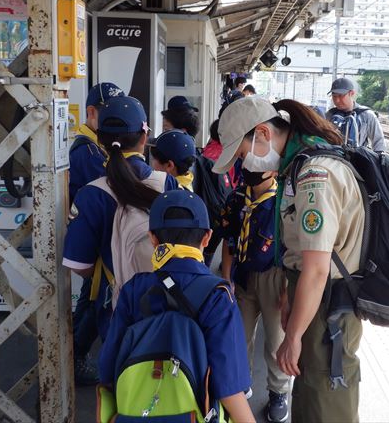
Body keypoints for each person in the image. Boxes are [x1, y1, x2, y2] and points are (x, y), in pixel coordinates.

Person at [212, 96, 366, 423]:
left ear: (263, 134)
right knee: (310, 391)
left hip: (328, 307)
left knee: (325, 400)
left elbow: (317, 268)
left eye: (241, 155)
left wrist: (292, 337)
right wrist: (287, 296)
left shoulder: (314, 175)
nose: (244, 165)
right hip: (314, 301)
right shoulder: (297, 166)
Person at [99, 190, 256, 423]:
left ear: (153, 238)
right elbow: (229, 388)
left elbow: (108, 372)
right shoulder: (218, 297)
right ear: (207, 238)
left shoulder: (133, 291)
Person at [63, 96, 178, 341]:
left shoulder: (91, 193)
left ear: (101, 140)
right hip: (167, 295)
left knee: (122, 371)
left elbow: (78, 265)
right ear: (144, 138)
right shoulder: (167, 183)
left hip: (113, 302)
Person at [220, 170, 291, 422]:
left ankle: (278, 391)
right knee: (240, 334)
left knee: (275, 339)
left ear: (272, 169)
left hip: (274, 275)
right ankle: (241, 381)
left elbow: (292, 248)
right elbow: (229, 242)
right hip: (242, 275)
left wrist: (287, 292)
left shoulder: (284, 200)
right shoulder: (237, 198)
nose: (249, 168)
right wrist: (226, 279)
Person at [69, 82, 124, 385]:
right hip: (92, 241)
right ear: (92, 113)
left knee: (90, 300)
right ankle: (74, 358)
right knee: (94, 301)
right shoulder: (88, 152)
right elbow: (108, 195)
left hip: (96, 239)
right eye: (109, 113)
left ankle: (73, 355)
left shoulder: (96, 146)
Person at [326, 77, 386, 152]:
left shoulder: (367, 115)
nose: (337, 100)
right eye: (334, 96)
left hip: (357, 159)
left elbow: (379, 142)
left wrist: (379, 158)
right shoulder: (329, 115)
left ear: (352, 93)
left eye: (341, 96)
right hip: (332, 157)